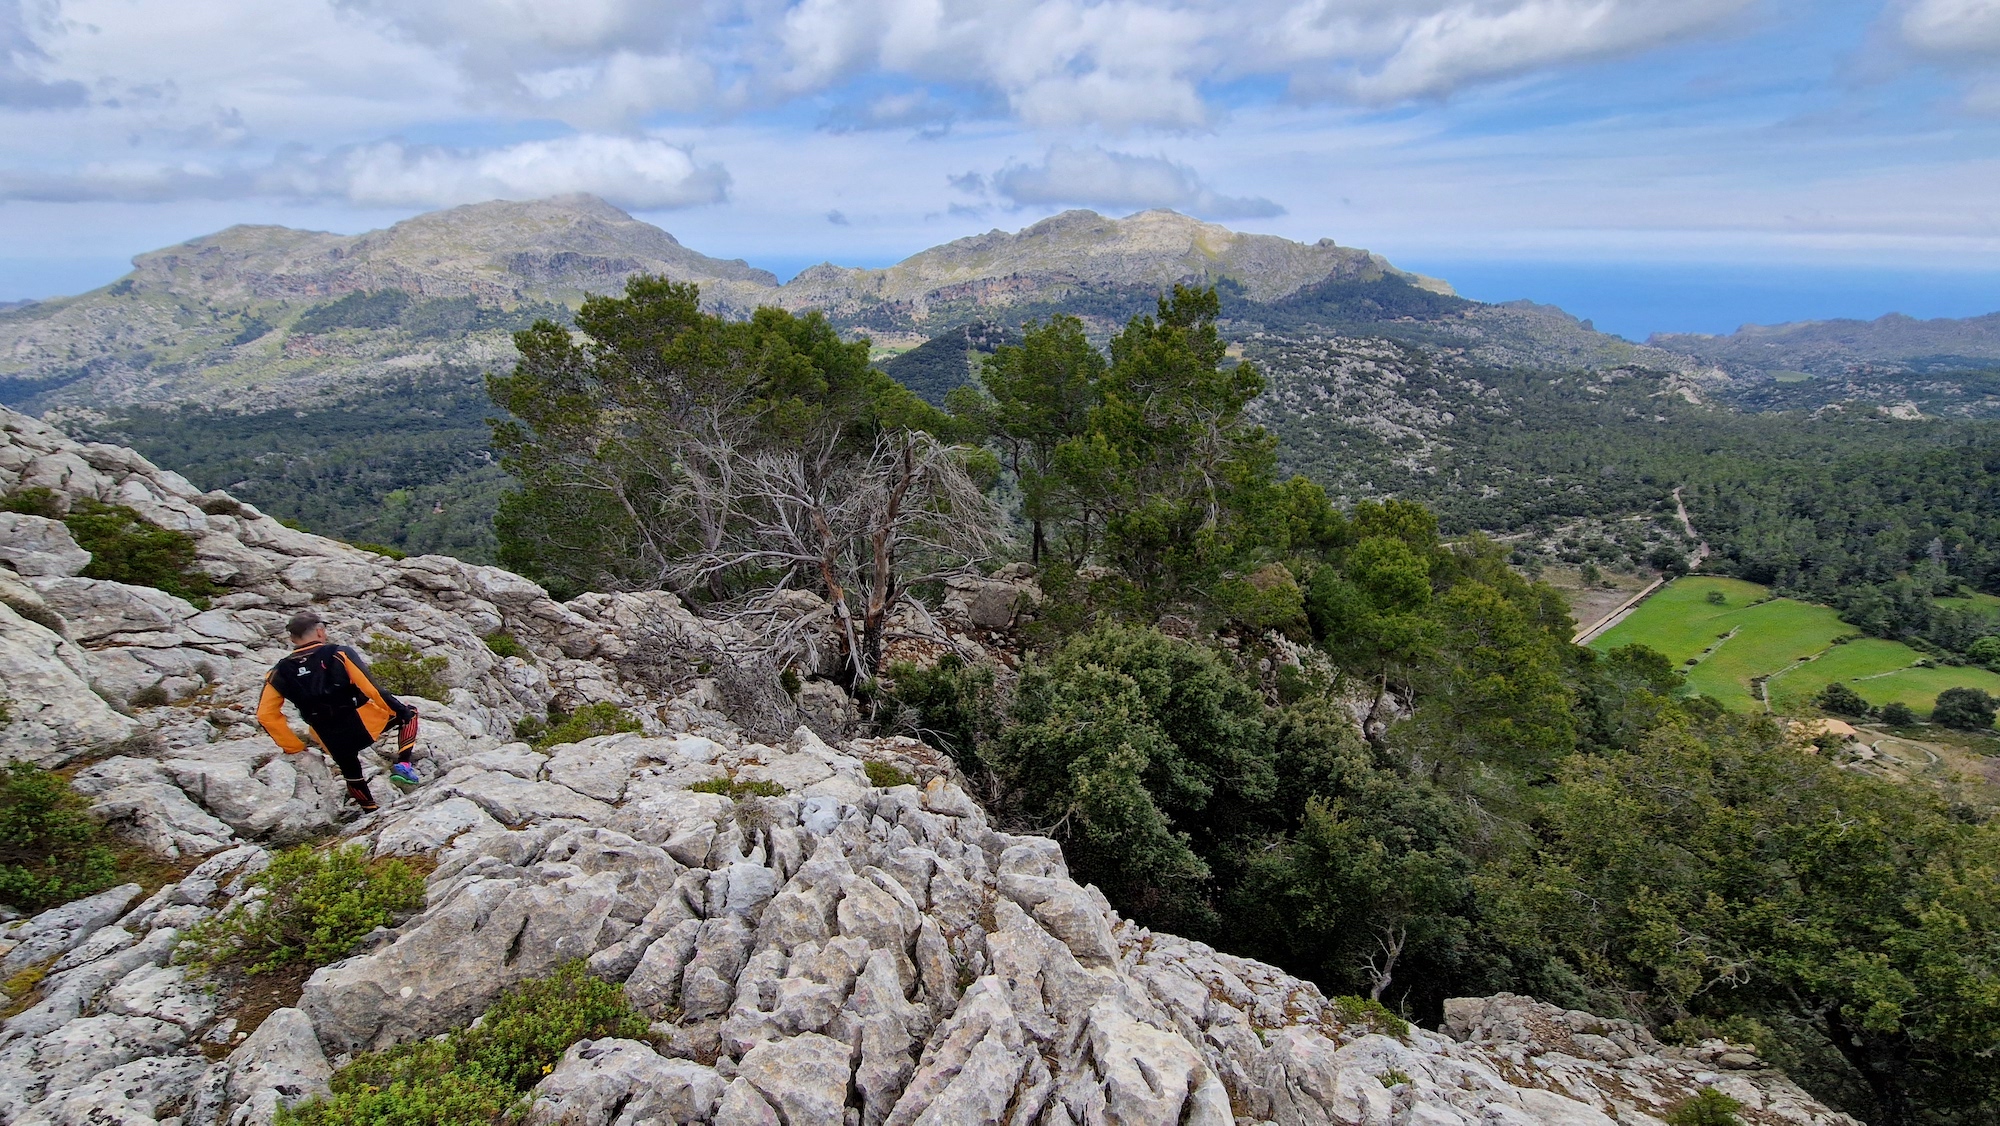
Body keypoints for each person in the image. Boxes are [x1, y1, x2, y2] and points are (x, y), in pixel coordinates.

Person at [257, 610, 421, 812]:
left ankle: (370, 811)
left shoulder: (278, 671)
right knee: (410, 714)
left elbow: (265, 715)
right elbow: (372, 689)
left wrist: (294, 746)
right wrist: (399, 710)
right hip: (362, 723)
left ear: (292, 638)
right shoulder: (338, 653)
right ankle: (404, 765)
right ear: (319, 631)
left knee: (351, 772)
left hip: (327, 735)